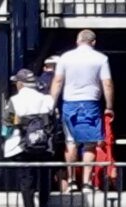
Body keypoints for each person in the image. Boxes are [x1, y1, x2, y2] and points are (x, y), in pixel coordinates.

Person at [50, 27, 111, 189]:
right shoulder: (101, 59)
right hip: (91, 102)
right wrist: (110, 106)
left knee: (71, 142)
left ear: (77, 41)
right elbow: (107, 83)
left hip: (70, 102)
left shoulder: (65, 58)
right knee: (90, 143)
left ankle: (71, 180)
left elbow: (57, 81)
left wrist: (51, 104)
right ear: (94, 42)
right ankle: (86, 182)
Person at [5, 67, 57, 207]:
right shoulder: (47, 99)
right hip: (43, 146)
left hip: (22, 147)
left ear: (20, 84)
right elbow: (54, 122)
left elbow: (7, 124)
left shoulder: (15, 101)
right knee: (44, 178)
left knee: (26, 183)